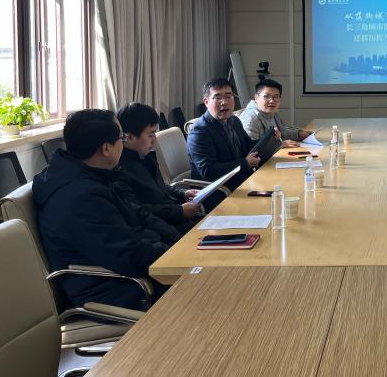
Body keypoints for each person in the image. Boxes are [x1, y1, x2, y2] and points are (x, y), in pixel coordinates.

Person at [33, 109, 179, 310]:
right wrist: (175, 254)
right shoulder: (78, 196)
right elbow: (128, 254)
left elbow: (138, 215)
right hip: (116, 289)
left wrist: (177, 242)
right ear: (106, 149)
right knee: (208, 290)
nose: (123, 143)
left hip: (135, 274)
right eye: (121, 138)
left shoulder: (95, 175)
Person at [116, 102, 201, 232]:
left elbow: (159, 187)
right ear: (129, 137)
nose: (155, 140)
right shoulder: (119, 170)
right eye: (150, 135)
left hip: (174, 218)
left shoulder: (145, 157)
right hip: (163, 228)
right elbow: (138, 211)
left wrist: (182, 193)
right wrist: (179, 211)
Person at [186, 78, 262, 188]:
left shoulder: (234, 120)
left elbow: (248, 145)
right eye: (217, 98)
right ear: (206, 102)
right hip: (220, 190)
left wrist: (272, 139)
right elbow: (209, 171)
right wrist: (245, 163)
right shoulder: (199, 132)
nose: (224, 102)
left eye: (228, 96)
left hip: (242, 180)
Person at [239, 79, 312, 147]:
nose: (271, 101)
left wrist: (299, 135)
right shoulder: (250, 118)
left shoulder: (274, 112)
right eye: (266, 96)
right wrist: (279, 144)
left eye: (276, 97)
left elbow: (283, 133)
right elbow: (250, 148)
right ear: (256, 97)